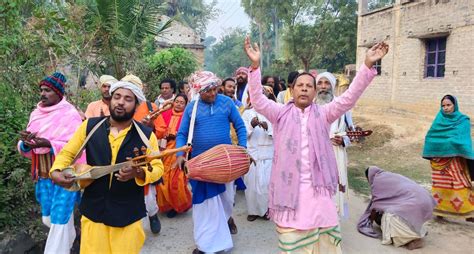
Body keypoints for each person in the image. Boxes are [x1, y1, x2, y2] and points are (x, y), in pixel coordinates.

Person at [244, 36, 388, 253]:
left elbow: (349, 97)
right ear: (291, 90)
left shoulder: (324, 113)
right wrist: (255, 67)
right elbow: (257, 99)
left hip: (317, 193)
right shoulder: (279, 113)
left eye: (308, 86)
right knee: (292, 244)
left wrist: (367, 65)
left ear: (313, 91)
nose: (304, 89)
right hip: (288, 193)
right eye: (299, 85)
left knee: (325, 245)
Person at [50, 80, 164, 253]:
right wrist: (56, 170)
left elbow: (157, 168)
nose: (120, 102)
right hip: (93, 214)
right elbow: (68, 153)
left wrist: (139, 172)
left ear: (136, 105)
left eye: (128, 99)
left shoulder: (147, 135)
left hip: (128, 217)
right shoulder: (90, 126)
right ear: (111, 100)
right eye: (117, 97)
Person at [175, 71, 247, 254]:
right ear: (199, 91)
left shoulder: (227, 103)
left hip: (226, 162)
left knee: (227, 201)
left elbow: (240, 126)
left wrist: (243, 148)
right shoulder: (192, 107)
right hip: (200, 165)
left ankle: (227, 218)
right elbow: (182, 134)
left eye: (215, 89)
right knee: (203, 205)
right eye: (208, 91)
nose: (213, 93)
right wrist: (180, 155)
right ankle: (205, 245)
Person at [18, 72, 83, 254]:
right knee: (48, 219)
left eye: (47, 90)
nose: (43, 94)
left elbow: (78, 148)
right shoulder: (36, 114)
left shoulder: (70, 114)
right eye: (41, 90)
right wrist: (26, 143)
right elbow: (26, 147)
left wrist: (48, 144)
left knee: (59, 220)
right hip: (43, 175)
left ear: (58, 93)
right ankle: (71, 239)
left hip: (65, 174)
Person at [422, 94, 474, 221]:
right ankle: (440, 211)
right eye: (443, 105)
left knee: (460, 183)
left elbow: (463, 140)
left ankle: (468, 213)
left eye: (448, 105)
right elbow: (430, 137)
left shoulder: (463, 120)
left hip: (456, 160)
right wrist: (444, 144)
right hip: (438, 161)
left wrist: (449, 144)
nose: (445, 108)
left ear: (454, 105)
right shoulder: (438, 120)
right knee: (440, 186)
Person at [358, 166, 436, 250]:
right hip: (425, 198)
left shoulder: (377, 181)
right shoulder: (388, 175)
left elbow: (376, 205)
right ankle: (420, 231)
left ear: (369, 177)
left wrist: (369, 221)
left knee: (389, 215)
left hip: (416, 201)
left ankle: (413, 239)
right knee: (403, 212)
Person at [125, 74, 163, 234]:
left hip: (145, 155)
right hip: (125, 156)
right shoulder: (120, 108)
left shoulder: (150, 107)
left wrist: (151, 125)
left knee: (148, 195)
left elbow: (162, 130)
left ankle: (153, 215)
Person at [315, 71, 355, 219]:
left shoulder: (343, 107)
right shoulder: (309, 107)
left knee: (334, 191)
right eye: (320, 83)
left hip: (336, 153)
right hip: (314, 155)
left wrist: (343, 140)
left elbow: (352, 133)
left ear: (332, 86)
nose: (323, 87)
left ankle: (333, 223)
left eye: (327, 83)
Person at [153, 93, 191, 218]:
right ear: (173, 102)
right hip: (165, 150)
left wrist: (175, 135)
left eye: (182, 102)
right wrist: (166, 135)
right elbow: (159, 130)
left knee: (177, 179)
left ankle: (177, 205)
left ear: (186, 105)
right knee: (163, 177)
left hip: (179, 150)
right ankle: (168, 205)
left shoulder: (188, 117)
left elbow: (188, 135)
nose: (179, 104)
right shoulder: (164, 114)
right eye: (177, 101)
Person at [242, 86, 274, 222]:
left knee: (266, 184)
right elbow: (242, 134)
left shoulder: (273, 112)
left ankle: (267, 209)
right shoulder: (246, 114)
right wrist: (251, 125)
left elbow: (280, 131)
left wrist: (269, 128)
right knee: (251, 185)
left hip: (268, 154)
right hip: (252, 155)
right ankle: (253, 211)